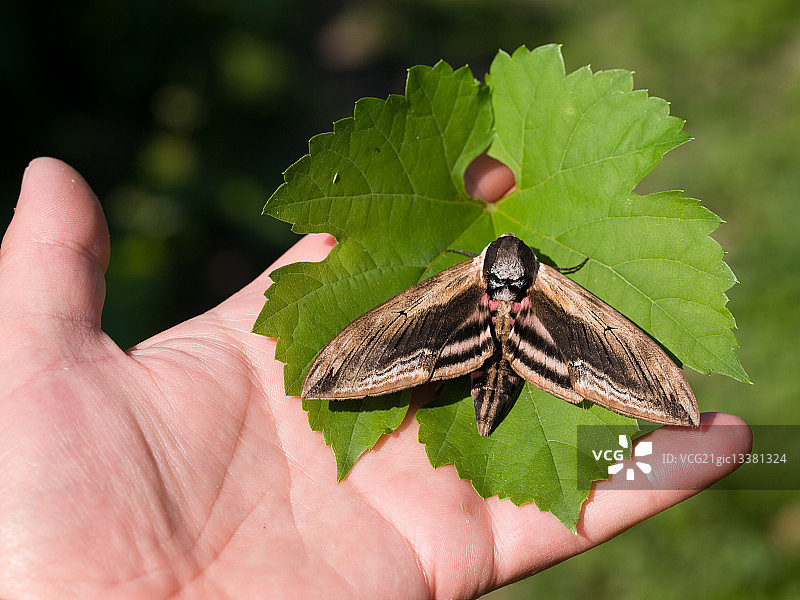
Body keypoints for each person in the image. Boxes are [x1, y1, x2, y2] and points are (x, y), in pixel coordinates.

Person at [0, 157, 751, 598]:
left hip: (458, 336)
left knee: (379, 344)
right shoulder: (555, 287)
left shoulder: (455, 282)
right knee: (641, 380)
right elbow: (612, 339)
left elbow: (389, 328)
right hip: (551, 343)